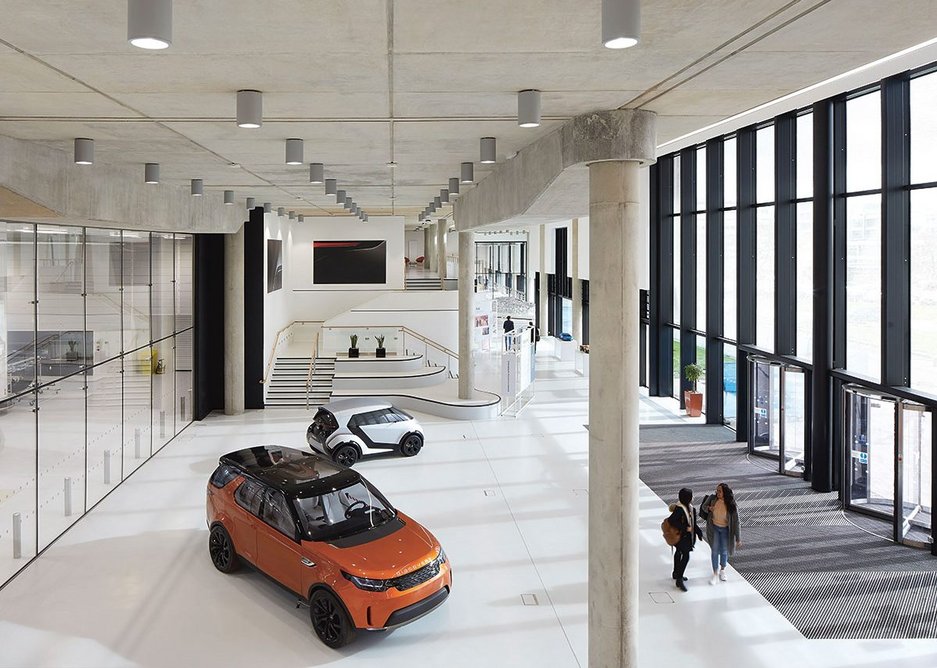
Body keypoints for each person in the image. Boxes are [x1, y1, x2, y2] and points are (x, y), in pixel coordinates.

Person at [700, 482, 742, 584]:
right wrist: (709, 508)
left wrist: (738, 538)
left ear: (725, 492)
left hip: (725, 530)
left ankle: (722, 569)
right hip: (714, 528)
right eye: (717, 490)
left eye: (719, 491)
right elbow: (703, 507)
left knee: (724, 550)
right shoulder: (713, 499)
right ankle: (715, 572)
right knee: (714, 550)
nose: (717, 492)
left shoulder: (731, 505)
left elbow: (736, 522)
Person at [667, 487, 703, 591]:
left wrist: (698, 532)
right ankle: (679, 578)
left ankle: (676, 573)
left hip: (685, 538)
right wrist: (684, 528)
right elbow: (671, 520)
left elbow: (693, 524)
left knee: (679, 553)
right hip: (682, 537)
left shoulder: (691, 509)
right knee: (686, 556)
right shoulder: (680, 509)